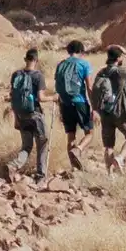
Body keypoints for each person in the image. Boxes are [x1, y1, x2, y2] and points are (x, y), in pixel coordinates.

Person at [92, 46, 126, 173]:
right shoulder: (120, 72)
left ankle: (110, 175)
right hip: (121, 111)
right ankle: (120, 158)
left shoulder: (101, 73)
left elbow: (95, 92)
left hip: (105, 112)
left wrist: (95, 110)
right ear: (119, 58)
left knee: (108, 146)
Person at [7, 49, 49, 183]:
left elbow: (12, 96)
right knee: (42, 143)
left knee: (27, 146)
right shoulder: (38, 76)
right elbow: (41, 98)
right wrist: (54, 97)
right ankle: (41, 175)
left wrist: (16, 118)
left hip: (21, 115)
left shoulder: (16, 75)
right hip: (35, 114)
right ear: (36, 61)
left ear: (25, 59)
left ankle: (14, 165)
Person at [53, 40, 95, 172]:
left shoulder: (61, 65)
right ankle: (78, 149)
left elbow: (57, 85)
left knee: (71, 136)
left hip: (65, 103)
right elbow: (89, 86)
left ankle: (74, 168)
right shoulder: (84, 64)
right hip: (80, 101)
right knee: (89, 133)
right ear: (81, 51)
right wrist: (94, 106)